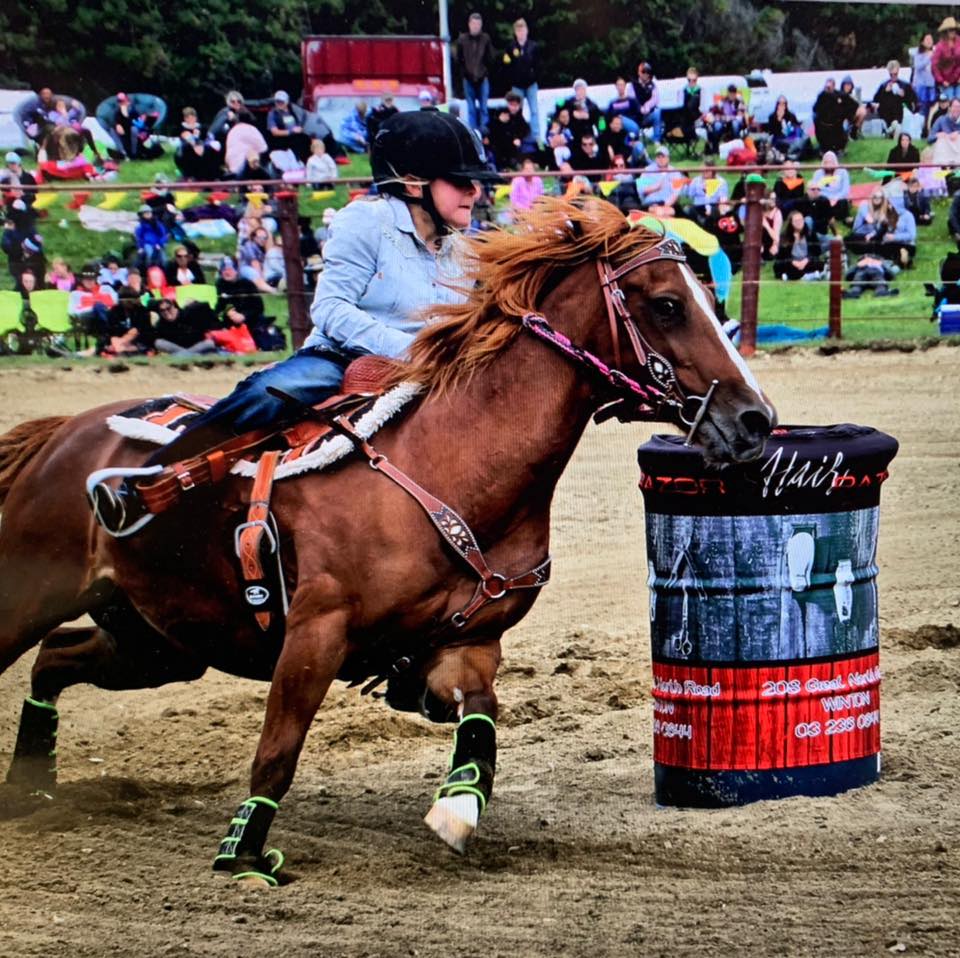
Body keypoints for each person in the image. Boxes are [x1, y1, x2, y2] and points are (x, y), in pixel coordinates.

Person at [89, 110, 498, 536]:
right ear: (414, 182)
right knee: (268, 394)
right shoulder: (366, 222)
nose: (475, 189)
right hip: (340, 358)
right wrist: (416, 351)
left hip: (429, 371)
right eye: (460, 179)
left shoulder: (465, 249)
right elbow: (332, 309)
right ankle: (146, 485)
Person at [456, 12, 495, 133]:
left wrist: (485, 72)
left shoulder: (485, 39)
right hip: (468, 78)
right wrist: (465, 74)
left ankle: (484, 131)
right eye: (473, 24)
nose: (476, 26)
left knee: (484, 107)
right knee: (471, 108)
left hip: (482, 77)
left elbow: (490, 58)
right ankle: (473, 132)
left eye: (478, 24)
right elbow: (459, 59)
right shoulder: (462, 39)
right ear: (469, 24)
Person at [503, 18, 540, 143]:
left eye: (523, 30)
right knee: (516, 112)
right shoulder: (510, 47)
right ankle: (518, 136)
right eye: (518, 30)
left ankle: (536, 137)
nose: (521, 32)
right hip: (517, 85)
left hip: (531, 85)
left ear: (527, 31)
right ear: (515, 32)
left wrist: (534, 76)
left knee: (534, 111)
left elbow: (539, 65)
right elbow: (506, 65)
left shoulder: (534, 46)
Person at [152, 297, 218, 354]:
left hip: (198, 346)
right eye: (162, 310)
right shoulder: (161, 325)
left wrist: (194, 302)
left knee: (209, 343)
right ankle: (187, 356)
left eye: (168, 308)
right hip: (179, 349)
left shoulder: (189, 313)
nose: (166, 312)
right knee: (158, 343)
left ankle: (184, 356)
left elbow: (206, 306)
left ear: (174, 306)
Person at [813, 78, 859, 155]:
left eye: (830, 87)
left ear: (834, 86)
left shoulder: (840, 95)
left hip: (836, 125)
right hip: (823, 126)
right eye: (827, 87)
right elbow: (815, 109)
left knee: (839, 140)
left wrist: (845, 114)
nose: (828, 89)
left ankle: (839, 148)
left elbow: (854, 105)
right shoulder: (821, 96)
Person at [870, 61, 918, 136]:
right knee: (886, 104)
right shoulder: (884, 85)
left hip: (900, 111)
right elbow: (875, 99)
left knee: (898, 106)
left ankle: (892, 129)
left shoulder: (905, 85)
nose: (893, 77)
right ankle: (891, 128)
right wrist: (885, 92)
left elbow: (914, 100)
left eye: (895, 74)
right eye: (891, 74)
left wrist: (904, 96)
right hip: (887, 112)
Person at [488, 91, 531, 169]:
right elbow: (492, 129)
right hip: (499, 144)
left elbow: (525, 129)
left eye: (516, 105)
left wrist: (518, 138)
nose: (514, 108)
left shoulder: (519, 117)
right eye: (512, 105)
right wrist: (499, 121)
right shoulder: (500, 113)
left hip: (513, 145)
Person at [775, 210, 822, 280]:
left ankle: (795, 276)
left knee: (818, 264)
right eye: (796, 221)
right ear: (791, 223)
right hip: (792, 263)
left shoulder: (811, 234)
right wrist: (793, 262)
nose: (799, 223)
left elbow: (817, 251)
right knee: (782, 266)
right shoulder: (785, 236)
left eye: (801, 220)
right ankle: (809, 275)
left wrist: (806, 260)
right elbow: (781, 256)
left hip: (807, 262)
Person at [267, 91, 311, 163]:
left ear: (287, 102)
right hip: (282, 144)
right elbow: (274, 132)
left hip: (298, 141)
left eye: (281, 101)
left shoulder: (294, 110)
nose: (279, 104)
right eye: (277, 101)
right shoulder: (272, 114)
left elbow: (303, 118)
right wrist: (291, 131)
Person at [811, 151, 850, 222]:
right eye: (826, 162)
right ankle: (829, 217)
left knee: (843, 202)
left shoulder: (843, 172)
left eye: (831, 162)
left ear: (835, 162)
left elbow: (845, 190)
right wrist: (829, 199)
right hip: (824, 200)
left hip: (838, 199)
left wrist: (836, 198)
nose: (828, 165)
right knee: (820, 202)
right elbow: (815, 190)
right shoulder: (817, 173)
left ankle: (839, 217)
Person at [560, 79, 602, 144]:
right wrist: (572, 114)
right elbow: (559, 109)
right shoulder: (568, 102)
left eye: (582, 89)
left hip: (588, 133)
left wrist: (588, 115)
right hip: (573, 133)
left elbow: (599, 118)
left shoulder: (592, 104)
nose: (580, 91)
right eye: (578, 89)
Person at [632, 62, 662, 144]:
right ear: (639, 72)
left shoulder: (652, 85)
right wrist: (639, 108)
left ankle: (656, 141)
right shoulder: (633, 85)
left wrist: (647, 106)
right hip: (636, 116)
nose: (645, 74)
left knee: (657, 112)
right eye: (643, 71)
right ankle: (634, 142)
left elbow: (655, 98)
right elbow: (631, 100)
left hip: (647, 115)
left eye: (647, 72)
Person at [913, 34, 937, 135]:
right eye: (927, 39)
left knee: (933, 108)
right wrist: (929, 57)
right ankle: (921, 131)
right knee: (923, 108)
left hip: (932, 85)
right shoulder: (918, 54)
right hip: (922, 85)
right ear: (922, 42)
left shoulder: (936, 53)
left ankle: (929, 129)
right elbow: (918, 66)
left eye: (931, 39)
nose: (929, 41)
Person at [134, 204, 169, 271]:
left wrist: (160, 244)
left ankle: (164, 271)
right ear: (142, 215)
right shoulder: (141, 226)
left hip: (158, 243)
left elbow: (164, 235)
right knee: (149, 255)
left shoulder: (157, 224)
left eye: (149, 213)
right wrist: (140, 247)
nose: (148, 214)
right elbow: (139, 238)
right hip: (147, 244)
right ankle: (150, 269)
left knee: (164, 259)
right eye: (146, 213)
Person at [933, 17, 960, 100]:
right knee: (950, 101)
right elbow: (935, 65)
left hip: (958, 78)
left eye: (954, 29)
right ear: (946, 31)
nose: (953, 32)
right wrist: (942, 81)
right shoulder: (940, 46)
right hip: (946, 81)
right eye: (950, 30)